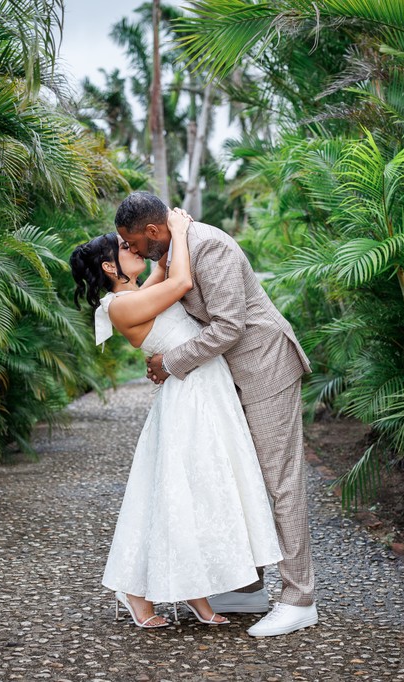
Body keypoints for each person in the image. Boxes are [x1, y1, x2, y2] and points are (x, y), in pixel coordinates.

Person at [115, 192, 317, 638]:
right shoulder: (176, 248)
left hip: (265, 370)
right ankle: (247, 587)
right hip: (226, 380)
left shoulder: (211, 246)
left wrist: (170, 363)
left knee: (279, 483)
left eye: (133, 242)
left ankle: (300, 599)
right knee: (234, 476)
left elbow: (229, 325)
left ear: (153, 232)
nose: (131, 250)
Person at [70, 207, 283, 629]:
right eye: (126, 248)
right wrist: (182, 230)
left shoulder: (136, 290)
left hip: (204, 387)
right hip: (190, 396)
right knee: (187, 491)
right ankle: (142, 593)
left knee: (203, 491)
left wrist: (170, 235)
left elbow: (165, 269)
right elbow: (180, 281)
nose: (135, 249)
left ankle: (193, 589)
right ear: (111, 265)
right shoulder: (120, 306)